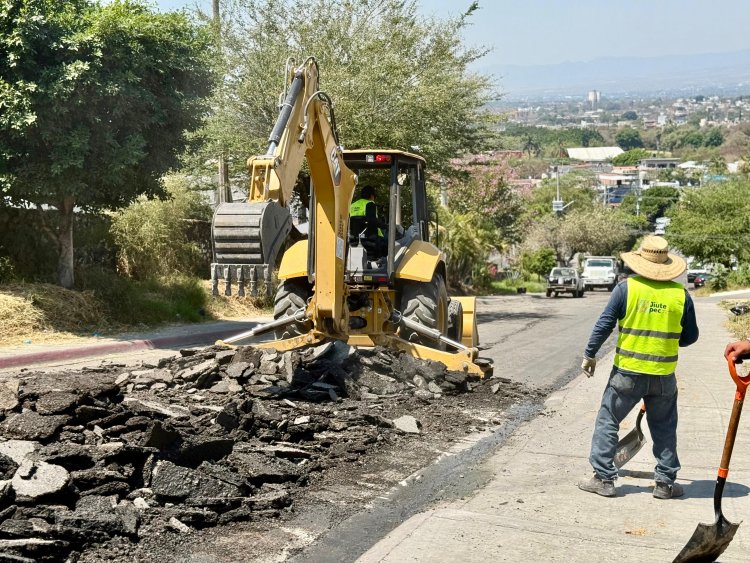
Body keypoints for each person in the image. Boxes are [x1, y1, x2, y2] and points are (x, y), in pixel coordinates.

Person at [578, 236, 699, 499]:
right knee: (664, 427)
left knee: (609, 419)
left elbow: (604, 324)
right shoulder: (681, 295)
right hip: (663, 378)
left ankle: (603, 478)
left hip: (627, 375)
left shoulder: (626, 289)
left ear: (641, 261)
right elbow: (690, 337)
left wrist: (590, 354)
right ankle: (665, 484)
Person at [349, 185, 386, 257]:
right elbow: (372, 221)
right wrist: (385, 226)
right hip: (371, 239)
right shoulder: (370, 204)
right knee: (388, 241)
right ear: (372, 196)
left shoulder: (352, 205)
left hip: (353, 238)